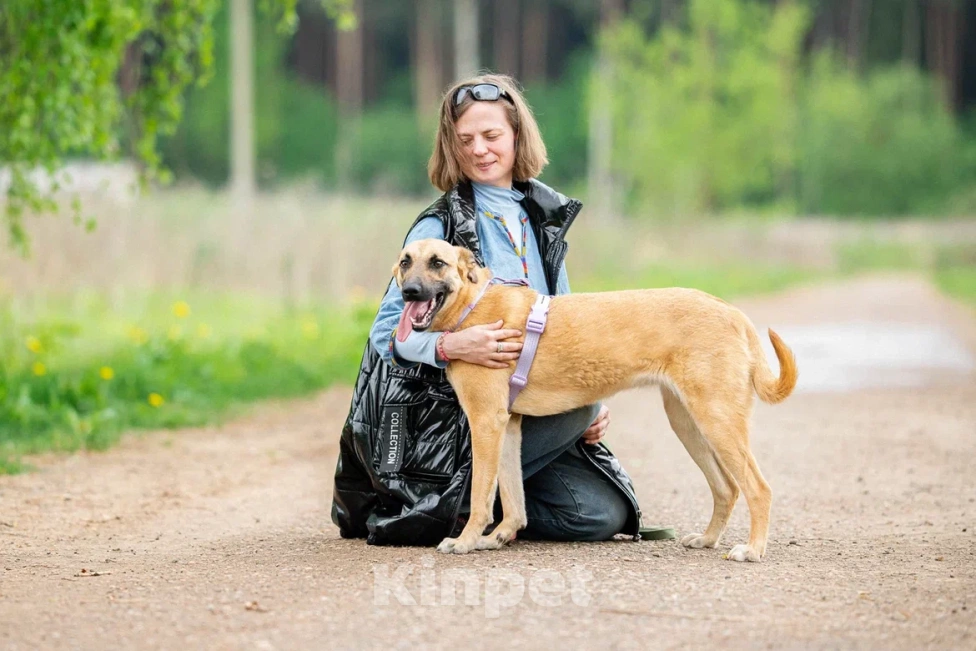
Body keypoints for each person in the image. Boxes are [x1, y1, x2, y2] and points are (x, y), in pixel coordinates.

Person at [332, 74, 642, 546]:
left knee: (600, 514)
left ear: (517, 135)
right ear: (451, 148)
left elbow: (566, 323)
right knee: (569, 414)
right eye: (466, 140)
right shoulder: (439, 229)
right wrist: (452, 344)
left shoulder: (543, 220)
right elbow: (384, 336)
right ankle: (450, 500)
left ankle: (467, 503)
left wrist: (590, 399)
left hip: (518, 403)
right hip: (445, 423)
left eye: (492, 136)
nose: (480, 150)